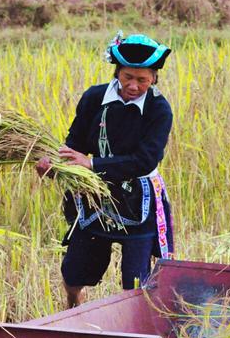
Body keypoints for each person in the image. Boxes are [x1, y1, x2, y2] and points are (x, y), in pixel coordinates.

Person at [37, 32, 175, 308]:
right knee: (74, 272)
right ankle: (74, 303)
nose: (133, 86)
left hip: (138, 200)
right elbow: (75, 141)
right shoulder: (94, 98)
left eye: (142, 80)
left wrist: (93, 164)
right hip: (95, 196)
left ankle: (136, 330)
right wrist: (55, 164)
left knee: (135, 283)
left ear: (154, 79)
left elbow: (144, 160)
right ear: (117, 73)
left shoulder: (159, 110)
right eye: (127, 77)